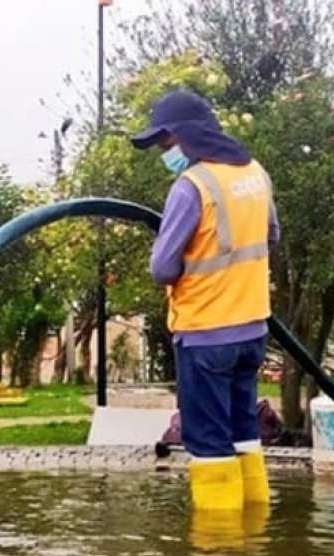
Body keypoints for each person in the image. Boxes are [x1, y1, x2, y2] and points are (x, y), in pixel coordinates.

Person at [131, 90, 279, 511]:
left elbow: (162, 268)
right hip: (252, 330)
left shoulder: (191, 186)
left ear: (186, 136)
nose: (165, 152)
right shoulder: (255, 173)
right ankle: (254, 533)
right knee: (244, 433)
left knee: (209, 443)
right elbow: (271, 236)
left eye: (166, 143)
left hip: (205, 334)